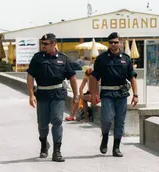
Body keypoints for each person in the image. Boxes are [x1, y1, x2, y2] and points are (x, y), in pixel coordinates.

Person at [27, 33, 78, 162]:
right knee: (43, 124)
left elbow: (72, 77)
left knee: (57, 121)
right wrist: (31, 94)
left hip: (58, 94)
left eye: (46, 44)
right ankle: (44, 145)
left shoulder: (63, 59)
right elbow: (30, 76)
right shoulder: (37, 58)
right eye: (42, 43)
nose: (43, 46)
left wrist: (76, 95)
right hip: (43, 94)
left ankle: (57, 151)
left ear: (54, 44)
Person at [90, 32, 138, 157]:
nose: (113, 44)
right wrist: (94, 93)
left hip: (121, 94)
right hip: (106, 93)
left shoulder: (126, 58)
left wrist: (136, 94)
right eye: (111, 42)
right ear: (108, 44)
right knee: (106, 118)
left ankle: (116, 147)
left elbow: (132, 77)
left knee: (120, 121)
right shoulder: (101, 59)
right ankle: (105, 137)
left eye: (116, 42)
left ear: (120, 43)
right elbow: (94, 77)